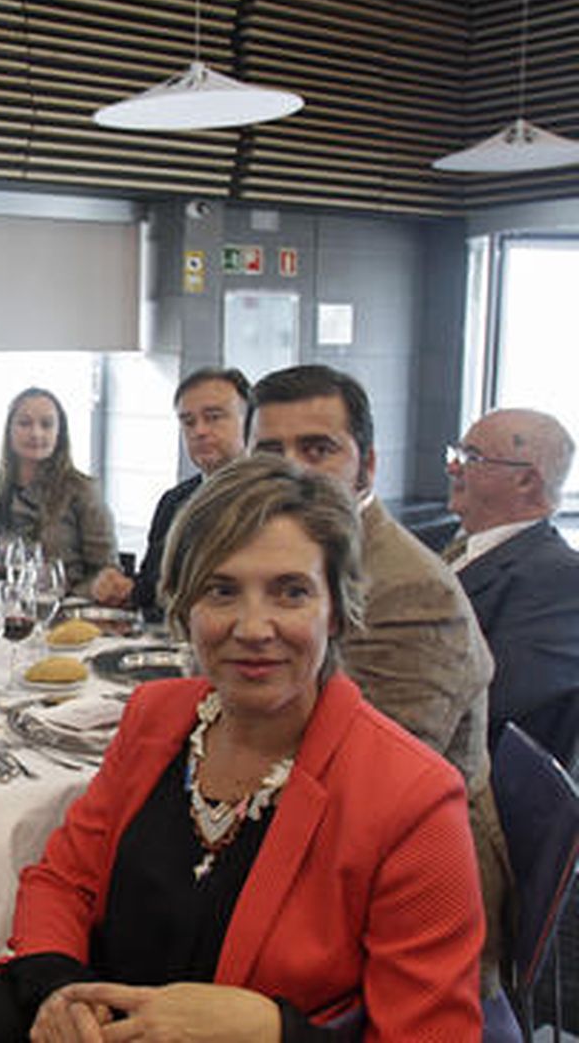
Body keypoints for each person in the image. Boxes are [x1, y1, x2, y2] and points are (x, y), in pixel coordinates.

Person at [0, 454, 484, 1041]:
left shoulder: (412, 798)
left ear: (335, 611)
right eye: (222, 591)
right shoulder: (158, 715)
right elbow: (64, 879)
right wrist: (59, 987)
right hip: (106, 1022)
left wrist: (274, 1030)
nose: (253, 628)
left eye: (290, 592)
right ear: (182, 606)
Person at [249, 363, 506, 990]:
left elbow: (365, 792)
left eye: (317, 449)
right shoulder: (279, 558)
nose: (291, 472)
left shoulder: (411, 590)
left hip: (408, 890)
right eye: (269, 453)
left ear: (366, 467)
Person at [445, 408, 579, 754]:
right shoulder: (442, 544)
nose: (453, 468)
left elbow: (493, 698)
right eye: (457, 453)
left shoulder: (561, 579)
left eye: (472, 457)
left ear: (526, 482)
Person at [0, 387, 131, 603]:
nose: (36, 433)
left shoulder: (82, 490)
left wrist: (66, 594)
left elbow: (107, 572)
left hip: (66, 612)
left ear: (59, 433)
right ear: (9, 430)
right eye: (24, 423)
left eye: (47, 424)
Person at [130, 367, 250, 617]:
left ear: (248, 423)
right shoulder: (173, 501)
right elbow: (148, 592)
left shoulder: (272, 502)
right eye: (188, 422)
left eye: (214, 417)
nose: (199, 431)